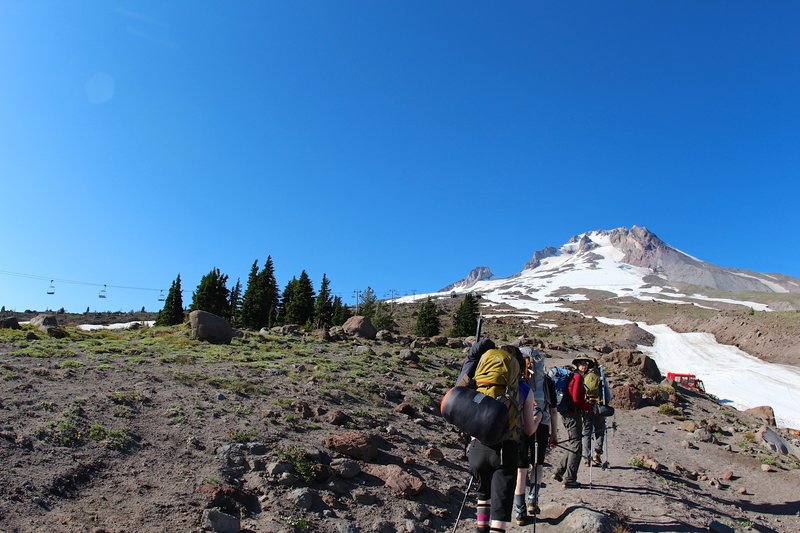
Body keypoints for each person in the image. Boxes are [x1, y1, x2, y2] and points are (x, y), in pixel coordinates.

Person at [466, 345, 541, 533]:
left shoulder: (481, 382)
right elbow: (529, 430)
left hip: (477, 448)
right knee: (499, 511)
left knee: (483, 497)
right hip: (504, 450)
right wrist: (538, 417)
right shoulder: (523, 389)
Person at [513, 347, 555, 525]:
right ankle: (533, 500)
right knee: (537, 464)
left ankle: (519, 510)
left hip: (521, 426)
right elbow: (553, 410)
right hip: (542, 425)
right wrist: (555, 433)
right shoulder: (546, 381)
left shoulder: (515, 381)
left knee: (521, 469)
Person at [552, 356, 595, 488]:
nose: (585, 365)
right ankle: (570, 479)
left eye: (586, 363)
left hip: (566, 411)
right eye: (582, 363)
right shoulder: (577, 377)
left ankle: (559, 472)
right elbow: (576, 398)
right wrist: (588, 407)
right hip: (572, 412)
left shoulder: (573, 376)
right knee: (577, 444)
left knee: (573, 442)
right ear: (577, 364)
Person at [581, 358, 613, 466]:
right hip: (599, 406)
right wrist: (606, 405)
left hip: (586, 406)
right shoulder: (600, 375)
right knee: (600, 430)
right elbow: (607, 394)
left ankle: (586, 457)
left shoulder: (583, 375)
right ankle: (597, 453)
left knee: (586, 432)